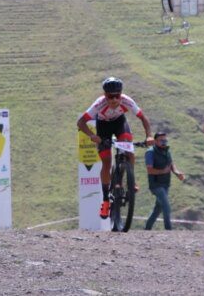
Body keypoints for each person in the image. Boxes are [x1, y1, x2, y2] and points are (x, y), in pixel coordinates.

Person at [77, 77, 154, 219]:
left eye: (116, 96)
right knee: (106, 161)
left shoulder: (126, 100)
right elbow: (81, 122)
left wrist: (149, 136)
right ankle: (106, 200)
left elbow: (143, 118)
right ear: (105, 95)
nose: (113, 100)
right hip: (103, 127)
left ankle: (129, 179)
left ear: (121, 94)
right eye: (109, 96)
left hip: (119, 123)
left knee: (129, 150)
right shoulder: (99, 104)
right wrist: (92, 136)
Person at [144, 132, 185, 230]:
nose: (164, 142)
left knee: (157, 209)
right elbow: (149, 170)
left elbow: (171, 164)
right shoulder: (150, 152)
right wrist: (163, 171)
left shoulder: (166, 151)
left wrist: (177, 173)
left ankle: (147, 229)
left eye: (165, 140)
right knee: (166, 206)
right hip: (155, 185)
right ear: (155, 141)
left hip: (165, 184)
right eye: (161, 140)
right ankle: (168, 230)